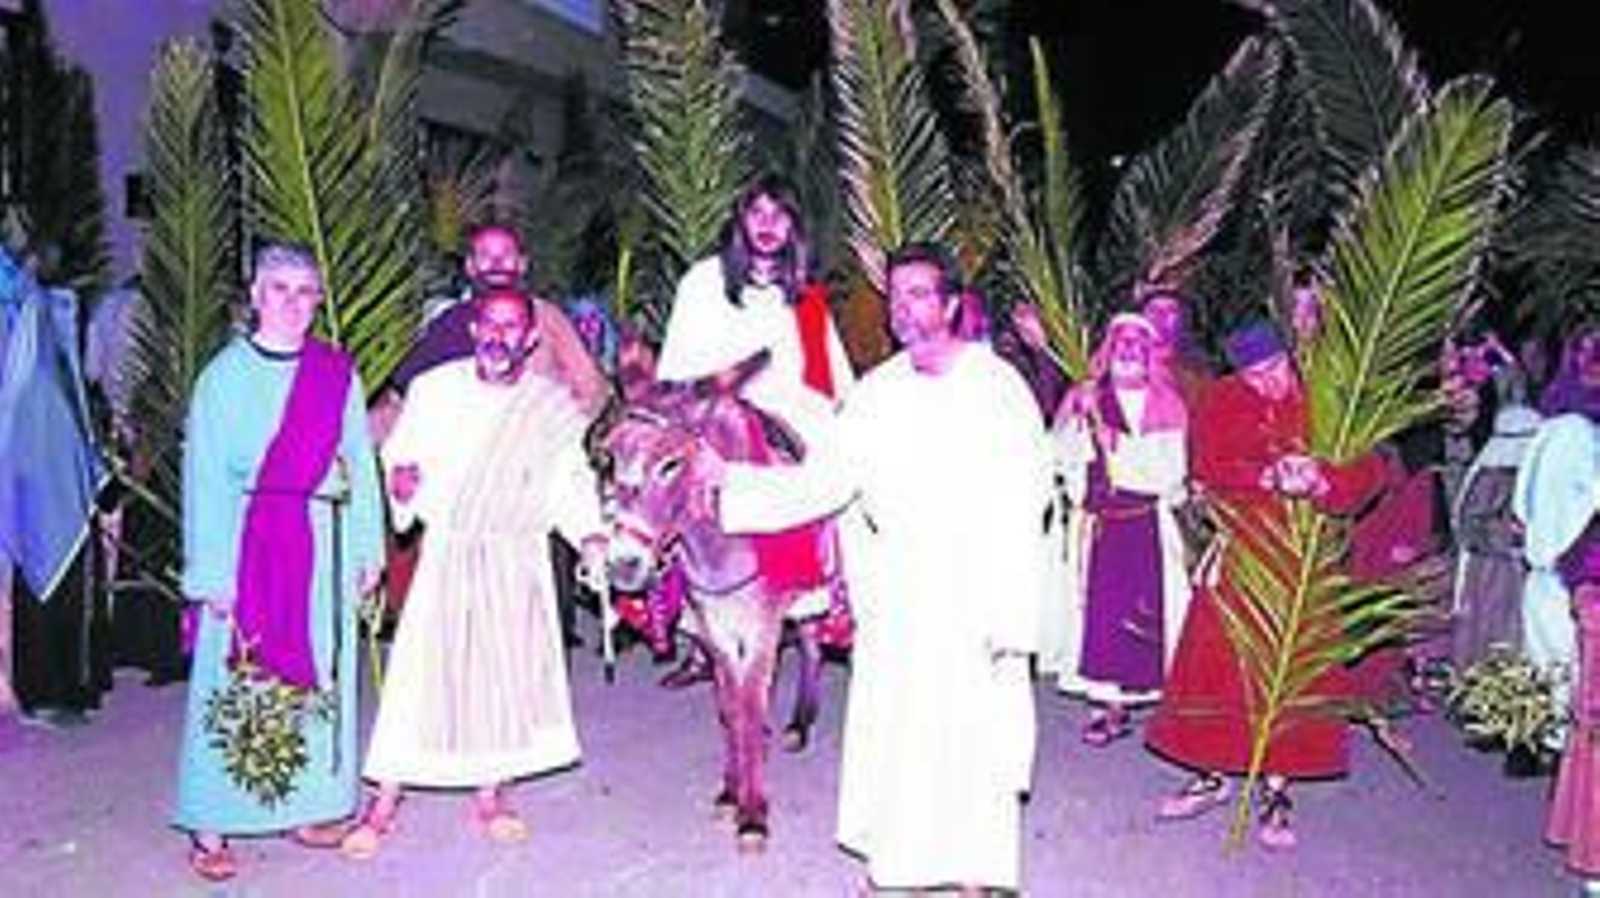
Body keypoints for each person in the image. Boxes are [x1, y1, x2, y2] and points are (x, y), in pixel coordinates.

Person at [715, 242, 1054, 894]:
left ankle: (973, 874)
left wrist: (1010, 614)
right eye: (895, 297)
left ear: (952, 303)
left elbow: (1028, 505)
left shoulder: (997, 389)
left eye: (919, 294)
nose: (903, 309)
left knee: (972, 733)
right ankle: (897, 864)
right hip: (900, 588)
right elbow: (823, 481)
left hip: (977, 588)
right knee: (902, 730)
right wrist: (727, 484)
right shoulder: (876, 395)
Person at [342, 288, 607, 860]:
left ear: (531, 339)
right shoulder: (434, 389)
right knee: (419, 677)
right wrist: (403, 488)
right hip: (450, 554)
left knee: (502, 677)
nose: (498, 336)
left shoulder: (550, 405)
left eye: (512, 327)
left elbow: (570, 478)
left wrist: (589, 533)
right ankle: (383, 799)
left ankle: (492, 793)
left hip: (518, 554)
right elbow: (401, 455)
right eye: (489, 324)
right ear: (472, 330)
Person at [172, 243, 385, 882]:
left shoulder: (336, 374)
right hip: (244, 548)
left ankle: (306, 809)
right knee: (233, 684)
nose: (294, 303)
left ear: (318, 302)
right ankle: (210, 825)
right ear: (256, 297)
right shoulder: (221, 378)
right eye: (281, 289)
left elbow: (360, 466)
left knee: (314, 680)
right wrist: (211, 576)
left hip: (321, 546)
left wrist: (369, 548)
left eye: (306, 291)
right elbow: (204, 480)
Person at [1144, 320, 1384, 851]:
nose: (1267, 384)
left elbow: (1370, 470)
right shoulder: (1223, 399)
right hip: (1244, 553)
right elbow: (1206, 467)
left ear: (1291, 357)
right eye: (1254, 376)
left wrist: (1324, 480)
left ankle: (1278, 785)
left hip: (1304, 562)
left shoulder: (1331, 396)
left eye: (1274, 369)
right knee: (1217, 670)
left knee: (1293, 672)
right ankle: (1210, 771)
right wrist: (1268, 476)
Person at [655, 173, 855, 708]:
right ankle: (681, 616)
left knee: (840, 474)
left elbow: (834, 383)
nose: (768, 226)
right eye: (757, 213)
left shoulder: (807, 297)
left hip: (793, 415)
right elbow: (676, 369)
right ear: (740, 221)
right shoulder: (703, 281)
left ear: (793, 227)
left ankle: (832, 597)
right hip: (713, 412)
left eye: (779, 215)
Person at [1050, 312, 1191, 745]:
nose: (1129, 349)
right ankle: (1107, 705)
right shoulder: (1085, 395)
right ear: (1108, 349)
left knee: (1147, 616)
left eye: (1138, 343)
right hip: (1099, 526)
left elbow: (1171, 474)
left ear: (1151, 354)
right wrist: (1079, 425)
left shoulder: (1168, 403)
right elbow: (1058, 455)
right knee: (1098, 615)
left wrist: (1113, 442)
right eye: (1122, 341)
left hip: (1144, 524)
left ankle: (1144, 699)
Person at [1451, 403, 1542, 669]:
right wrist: (1513, 536)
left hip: (1524, 573)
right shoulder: (1493, 474)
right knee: (1496, 637)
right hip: (1496, 576)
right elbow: (1471, 527)